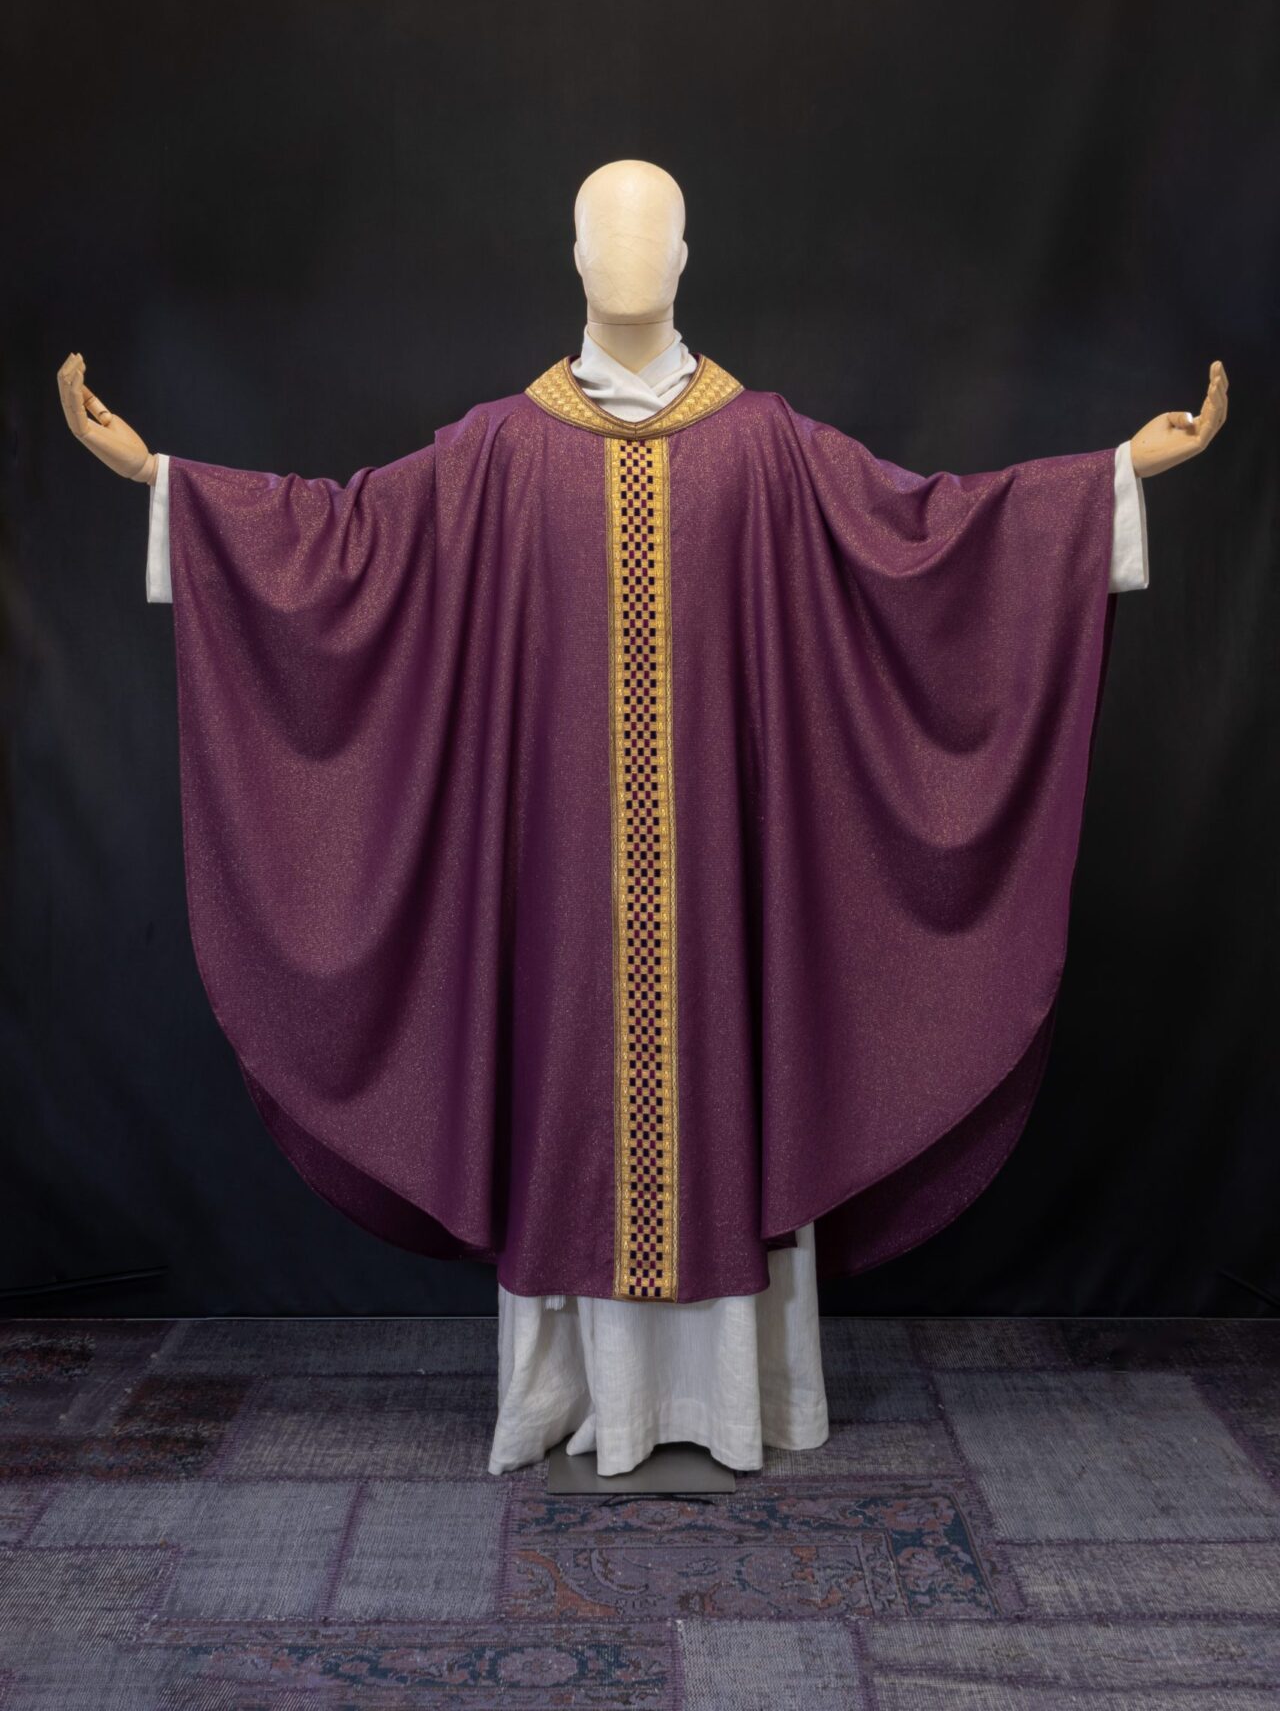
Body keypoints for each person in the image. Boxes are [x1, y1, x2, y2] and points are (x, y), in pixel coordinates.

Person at [57, 160, 1228, 1477]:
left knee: (723, 1078)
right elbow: (342, 547)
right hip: (553, 886)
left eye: (650, 235)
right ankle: (570, 1398)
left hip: (727, 878)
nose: (626, 259)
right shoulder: (499, 450)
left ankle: (733, 1400)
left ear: (683, 258)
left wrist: (1111, 477)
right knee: (567, 1095)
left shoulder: (766, 445)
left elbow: (926, 538)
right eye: (604, 237)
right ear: (573, 256)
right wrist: (164, 480)